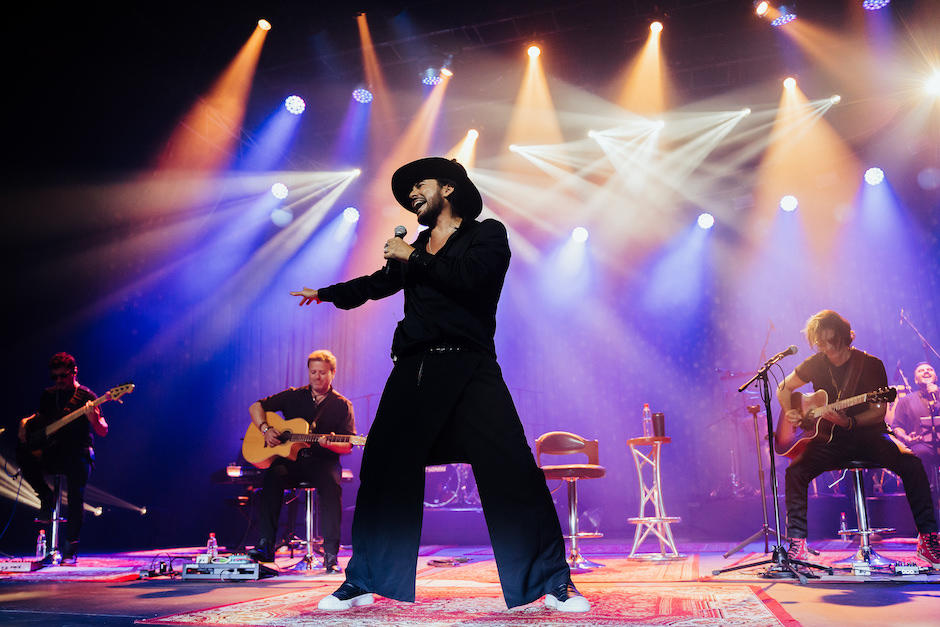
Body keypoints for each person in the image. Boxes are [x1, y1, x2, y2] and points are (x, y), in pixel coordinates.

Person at [290, 157, 588, 612]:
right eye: (407, 190)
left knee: (513, 473)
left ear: (447, 188)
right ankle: (363, 579)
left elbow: (471, 280)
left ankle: (551, 582)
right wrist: (326, 293)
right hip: (415, 369)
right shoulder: (418, 245)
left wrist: (415, 257)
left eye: (418, 185)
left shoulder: (487, 234)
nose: (411, 195)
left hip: (471, 369)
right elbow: (376, 284)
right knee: (383, 470)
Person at [776, 310, 940, 568]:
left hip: (869, 436)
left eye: (830, 342)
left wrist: (849, 422)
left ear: (843, 338)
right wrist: (792, 411)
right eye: (820, 343)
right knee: (795, 471)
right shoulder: (816, 362)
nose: (826, 349)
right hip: (830, 440)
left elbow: (878, 412)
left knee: (912, 464)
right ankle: (797, 542)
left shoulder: (870, 364)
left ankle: (928, 539)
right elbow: (783, 388)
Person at [246, 349, 355, 573]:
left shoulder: (342, 405)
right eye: (313, 372)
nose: (317, 376)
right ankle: (266, 546)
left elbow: (348, 445)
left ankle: (331, 556)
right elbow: (256, 406)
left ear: (332, 373)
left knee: (332, 487)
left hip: (323, 462)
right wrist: (265, 429)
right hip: (292, 461)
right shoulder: (293, 395)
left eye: (323, 372)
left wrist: (329, 443)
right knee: (272, 477)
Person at [16, 352, 108, 565]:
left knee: (75, 496)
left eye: (63, 376)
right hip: (54, 452)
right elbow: (40, 419)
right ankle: (46, 497)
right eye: (55, 377)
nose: (58, 381)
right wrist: (25, 422)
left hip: (78, 452)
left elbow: (103, 430)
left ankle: (69, 548)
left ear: (74, 373)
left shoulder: (86, 396)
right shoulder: (49, 395)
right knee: (23, 454)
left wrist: (93, 418)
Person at [892, 362, 940, 491]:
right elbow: (897, 426)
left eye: (930, 369)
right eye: (921, 371)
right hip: (922, 445)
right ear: (915, 380)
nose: (926, 371)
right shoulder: (905, 401)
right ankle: (926, 494)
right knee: (918, 454)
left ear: (935, 377)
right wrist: (906, 437)